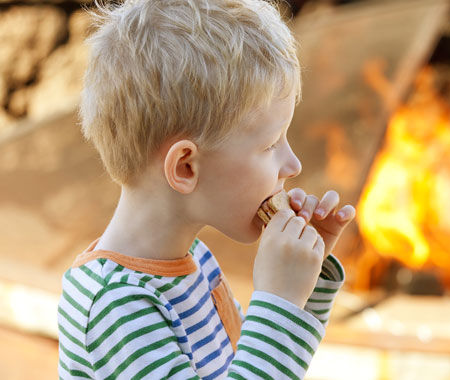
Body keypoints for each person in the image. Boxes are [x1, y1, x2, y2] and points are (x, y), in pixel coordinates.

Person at [57, 0, 356, 378]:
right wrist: (277, 300)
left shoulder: (194, 259)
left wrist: (304, 283)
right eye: (269, 145)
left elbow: (256, 366)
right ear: (185, 167)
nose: (293, 165)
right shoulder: (116, 305)